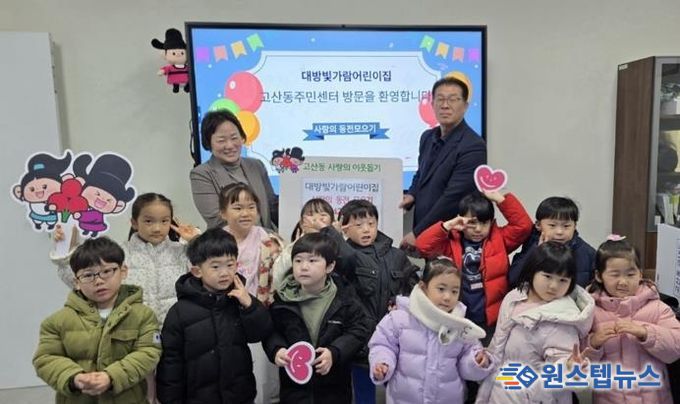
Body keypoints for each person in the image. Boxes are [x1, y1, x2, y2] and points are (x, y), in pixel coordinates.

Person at [33, 237, 161, 404]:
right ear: (76, 282)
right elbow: (45, 358)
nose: (99, 281)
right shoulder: (56, 322)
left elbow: (148, 353)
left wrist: (111, 377)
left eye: (107, 271)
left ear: (123, 271)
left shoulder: (143, 315)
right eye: (88, 275)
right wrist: (74, 378)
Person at [156, 228, 273, 404]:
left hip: (239, 395)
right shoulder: (180, 312)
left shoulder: (240, 300)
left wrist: (249, 305)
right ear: (197, 271)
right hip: (198, 398)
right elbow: (171, 362)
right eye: (216, 266)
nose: (224, 272)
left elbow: (260, 333)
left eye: (230, 265)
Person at [321, 199, 420, 404]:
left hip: (394, 339)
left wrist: (400, 302)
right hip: (360, 341)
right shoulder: (344, 257)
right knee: (363, 395)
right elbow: (346, 261)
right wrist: (333, 234)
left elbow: (413, 288)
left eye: (371, 223)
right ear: (346, 229)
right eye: (358, 225)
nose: (366, 229)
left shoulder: (396, 255)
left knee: (401, 392)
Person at [476, 241, 595, 404]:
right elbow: (498, 344)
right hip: (500, 392)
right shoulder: (514, 298)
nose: (553, 286)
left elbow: (562, 363)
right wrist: (486, 359)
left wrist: (569, 367)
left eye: (563, 280)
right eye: (547, 276)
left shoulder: (564, 317)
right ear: (532, 270)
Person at [53, 192, 198, 324]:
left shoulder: (182, 252)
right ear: (134, 223)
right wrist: (65, 250)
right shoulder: (118, 253)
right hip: (131, 335)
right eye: (148, 221)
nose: (157, 228)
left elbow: (208, 275)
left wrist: (196, 241)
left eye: (164, 221)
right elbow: (81, 279)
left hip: (176, 334)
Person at [264, 232, 372, 404]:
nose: (304, 267)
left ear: (329, 266)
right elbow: (270, 331)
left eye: (312, 260)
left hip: (334, 388)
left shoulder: (344, 298)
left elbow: (360, 329)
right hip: (294, 389)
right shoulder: (282, 300)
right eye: (298, 261)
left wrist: (335, 352)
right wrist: (277, 349)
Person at [368, 257, 494, 404]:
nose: (447, 297)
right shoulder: (400, 318)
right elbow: (382, 345)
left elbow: (467, 363)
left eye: (454, 291)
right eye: (441, 289)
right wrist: (382, 363)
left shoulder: (460, 325)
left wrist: (477, 362)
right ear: (423, 287)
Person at [415, 190, 532, 335]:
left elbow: (524, 226)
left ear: (491, 222)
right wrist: (447, 225)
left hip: (492, 317)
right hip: (458, 314)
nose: (478, 229)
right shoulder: (451, 242)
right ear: (461, 220)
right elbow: (422, 246)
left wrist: (500, 199)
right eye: (472, 223)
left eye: (484, 223)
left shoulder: (499, 239)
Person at [584, 236, 680, 403]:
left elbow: (675, 349)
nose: (623, 282)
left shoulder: (657, 308)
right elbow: (578, 364)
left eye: (630, 274)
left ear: (640, 274)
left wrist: (646, 333)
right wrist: (593, 343)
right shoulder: (590, 311)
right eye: (614, 275)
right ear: (599, 276)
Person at [399, 77, 487, 248]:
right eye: (440, 99)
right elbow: (421, 173)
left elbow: (453, 198)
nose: (445, 105)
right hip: (427, 229)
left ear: (465, 106)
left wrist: (419, 232)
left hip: (453, 235)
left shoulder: (473, 145)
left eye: (453, 99)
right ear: (432, 104)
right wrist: (412, 194)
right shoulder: (427, 137)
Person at [219, 182, 283, 403]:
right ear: (223, 212)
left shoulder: (272, 242)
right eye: (237, 207)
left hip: (260, 319)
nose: (245, 213)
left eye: (251, 207)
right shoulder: (214, 242)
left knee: (263, 383)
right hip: (224, 320)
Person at [190, 109, 277, 230]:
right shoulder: (201, 174)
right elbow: (218, 221)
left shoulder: (256, 165)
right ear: (209, 143)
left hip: (268, 239)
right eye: (221, 140)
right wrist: (261, 235)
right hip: (229, 241)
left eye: (234, 138)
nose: (230, 145)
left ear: (242, 137)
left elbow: (272, 206)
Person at [508, 196, 595, 289]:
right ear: (538, 225)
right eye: (552, 225)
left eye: (566, 226)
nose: (559, 232)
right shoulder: (531, 246)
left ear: (574, 226)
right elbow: (513, 280)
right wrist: (537, 252)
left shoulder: (587, 252)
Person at [272, 197, 335, 290]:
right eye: (310, 214)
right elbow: (278, 277)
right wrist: (295, 248)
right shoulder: (292, 247)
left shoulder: (338, 244)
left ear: (332, 222)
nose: (316, 220)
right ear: (302, 223)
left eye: (322, 215)